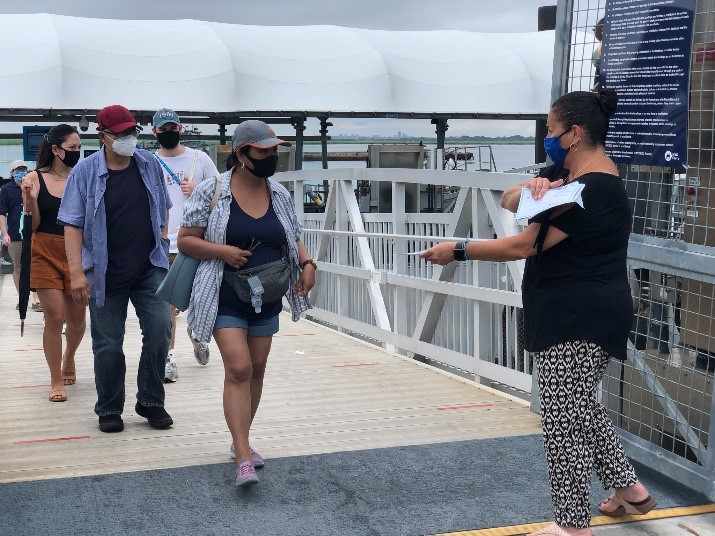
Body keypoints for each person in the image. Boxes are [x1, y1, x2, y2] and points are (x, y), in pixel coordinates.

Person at [422, 89, 655, 536]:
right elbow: (509, 199)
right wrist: (532, 186)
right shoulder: (565, 174)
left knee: (563, 418)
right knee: (577, 405)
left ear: (575, 133)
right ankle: (630, 489)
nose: (547, 137)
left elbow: (524, 245)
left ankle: (572, 525)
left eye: (551, 130)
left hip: (579, 315)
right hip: (569, 310)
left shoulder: (594, 189)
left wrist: (459, 249)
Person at [178, 120, 315, 487]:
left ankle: (241, 439)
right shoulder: (212, 190)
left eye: (275, 151)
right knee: (238, 368)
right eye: (263, 151)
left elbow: (293, 236)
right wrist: (222, 251)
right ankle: (242, 456)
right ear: (241, 153)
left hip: (266, 295)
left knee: (257, 368)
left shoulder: (279, 194)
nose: (272, 157)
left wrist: (308, 264)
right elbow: (186, 240)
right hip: (223, 293)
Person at [58, 104, 173, 433]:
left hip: (149, 265)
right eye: (120, 133)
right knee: (108, 343)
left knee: (160, 330)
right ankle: (109, 407)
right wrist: (77, 274)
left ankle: (150, 401)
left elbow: (163, 206)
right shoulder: (85, 172)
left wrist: (163, 241)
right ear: (103, 136)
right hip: (104, 272)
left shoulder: (148, 163)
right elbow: (72, 225)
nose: (128, 138)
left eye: (132, 131)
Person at [151, 108, 220, 382]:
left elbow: (222, 193)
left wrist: (199, 189)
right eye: (163, 129)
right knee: (166, 305)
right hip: (163, 243)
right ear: (154, 131)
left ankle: (197, 332)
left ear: (180, 129)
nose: (169, 132)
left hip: (197, 241)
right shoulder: (150, 162)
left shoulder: (199, 159)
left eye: (173, 128)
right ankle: (168, 357)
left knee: (199, 299)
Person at [19, 127, 87, 402]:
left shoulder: (82, 177)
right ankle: (55, 379)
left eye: (79, 147)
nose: (77, 152)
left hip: (76, 252)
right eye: (72, 148)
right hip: (44, 250)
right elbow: (33, 224)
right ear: (56, 149)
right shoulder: (35, 177)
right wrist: (30, 201)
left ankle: (69, 356)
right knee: (55, 316)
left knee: (77, 320)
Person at [0, 161, 28, 300]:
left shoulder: (31, 186)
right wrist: (4, 234)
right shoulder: (6, 190)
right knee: (18, 267)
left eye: (24, 170)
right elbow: (2, 213)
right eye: (18, 170)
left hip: (32, 234)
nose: (21, 173)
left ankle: (36, 299)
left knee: (34, 267)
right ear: (12, 173)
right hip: (15, 235)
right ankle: (22, 297)